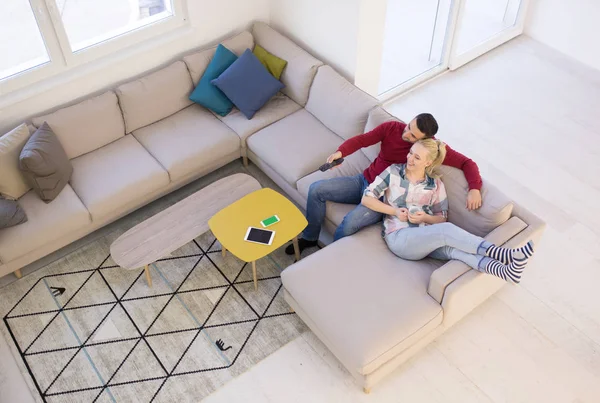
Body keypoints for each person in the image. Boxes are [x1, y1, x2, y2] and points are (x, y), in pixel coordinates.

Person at [286, 113, 483, 256]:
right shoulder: (392, 128)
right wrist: (341, 153)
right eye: (408, 127)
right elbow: (363, 140)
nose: (406, 134)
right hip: (364, 181)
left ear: (425, 139)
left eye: (413, 136)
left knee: (349, 224)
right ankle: (310, 237)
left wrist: (474, 188)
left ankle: (329, 259)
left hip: (384, 200)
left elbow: (467, 163)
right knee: (316, 189)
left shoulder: (428, 151)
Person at [361, 138, 535, 283]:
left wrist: (426, 218)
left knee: (455, 251)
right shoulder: (393, 172)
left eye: (417, 157)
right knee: (446, 231)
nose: (410, 159)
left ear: (428, 162)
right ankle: (505, 254)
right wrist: (395, 212)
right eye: (410, 153)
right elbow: (366, 198)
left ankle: (504, 272)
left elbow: (441, 218)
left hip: (425, 239)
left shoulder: (435, 184)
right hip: (399, 238)